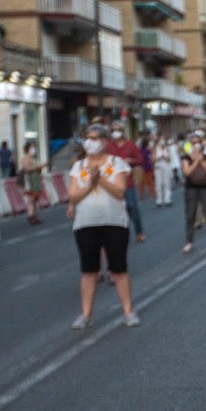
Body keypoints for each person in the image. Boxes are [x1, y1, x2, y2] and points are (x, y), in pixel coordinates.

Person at [67, 135, 140, 329]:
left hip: (114, 222)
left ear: (104, 142)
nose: (91, 142)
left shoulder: (117, 163)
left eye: (95, 138)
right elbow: (73, 196)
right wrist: (91, 184)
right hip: (86, 223)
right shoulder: (79, 167)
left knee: (118, 270)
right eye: (88, 138)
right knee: (89, 271)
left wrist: (100, 179)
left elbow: (119, 191)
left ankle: (128, 311)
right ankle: (86, 314)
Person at [181, 132, 206, 254]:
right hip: (191, 189)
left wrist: (201, 159)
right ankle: (189, 242)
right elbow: (187, 172)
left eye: (198, 142)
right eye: (193, 143)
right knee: (190, 216)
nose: (196, 145)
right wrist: (195, 161)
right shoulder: (185, 158)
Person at [105, 125, 146, 242]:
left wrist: (130, 160)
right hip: (113, 182)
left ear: (122, 132)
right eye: (113, 130)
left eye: (118, 130)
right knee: (116, 209)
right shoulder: (109, 146)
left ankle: (139, 232)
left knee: (132, 207)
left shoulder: (130, 145)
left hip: (128, 182)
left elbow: (140, 159)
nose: (115, 133)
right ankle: (120, 233)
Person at [19, 139, 46, 225]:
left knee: (35, 199)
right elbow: (26, 169)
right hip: (30, 181)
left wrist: (40, 168)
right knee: (31, 199)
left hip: (36, 179)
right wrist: (38, 167)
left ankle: (33, 215)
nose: (34, 149)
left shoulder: (33, 158)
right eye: (32, 148)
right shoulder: (25, 158)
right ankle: (31, 216)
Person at [155, 135, 178, 208]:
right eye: (160, 140)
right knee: (158, 184)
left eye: (163, 140)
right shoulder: (156, 149)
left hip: (166, 166)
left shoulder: (167, 149)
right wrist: (159, 157)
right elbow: (153, 159)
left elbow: (169, 159)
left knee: (167, 183)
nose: (162, 142)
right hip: (158, 167)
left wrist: (165, 157)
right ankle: (159, 200)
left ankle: (167, 199)